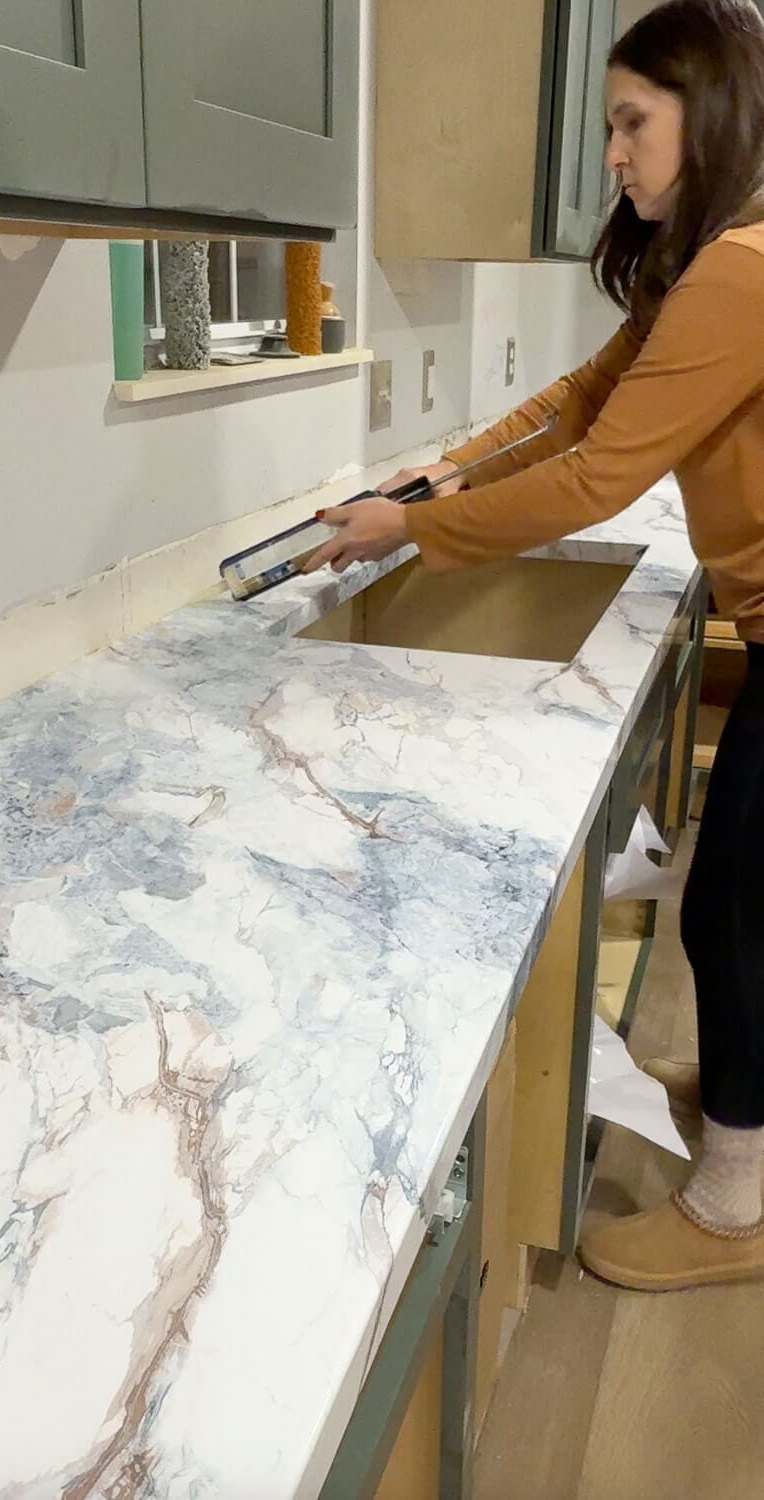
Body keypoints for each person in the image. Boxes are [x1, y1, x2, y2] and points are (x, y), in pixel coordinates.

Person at [305, 0, 764, 1292]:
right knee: (732, 900)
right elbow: (578, 400)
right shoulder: (710, 259)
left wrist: (412, 523)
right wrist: (447, 469)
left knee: (737, 915)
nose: (612, 155)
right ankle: (746, 1121)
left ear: (707, 118)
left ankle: (735, 1205)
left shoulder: (740, 266)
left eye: (632, 124)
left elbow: (594, 478)